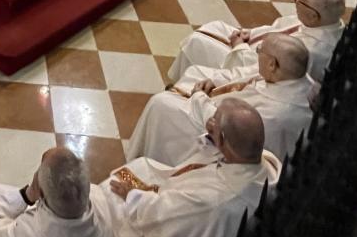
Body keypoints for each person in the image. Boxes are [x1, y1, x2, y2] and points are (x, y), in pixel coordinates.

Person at [98, 100, 280, 237]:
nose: (210, 121)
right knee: (143, 165)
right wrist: (215, 140)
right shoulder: (268, 164)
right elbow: (220, 159)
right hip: (186, 200)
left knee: (110, 192)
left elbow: (160, 215)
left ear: (223, 139)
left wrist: (133, 196)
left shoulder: (212, 202)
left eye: (215, 120)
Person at [128, 35, 313, 165]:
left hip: (223, 142)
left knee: (160, 104)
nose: (257, 55)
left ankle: (145, 162)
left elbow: (229, 127)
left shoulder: (277, 114)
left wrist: (199, 97)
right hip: (224, 111)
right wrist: (216, 81)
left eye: (259, 52)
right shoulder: (294, 78)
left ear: (272, 64)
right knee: (194, 73)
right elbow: (247, 73)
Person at [166, 0, 346, 87]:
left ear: (314, 16)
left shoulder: (312, 49)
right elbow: (277, 28)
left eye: (298, 1)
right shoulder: (327, 22)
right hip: (256, 46)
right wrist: (250, 33)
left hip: (251, 62)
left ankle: (183, 87)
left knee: (197, 42)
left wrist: (239, 45)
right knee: (215, 27)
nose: (295, 2)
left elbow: (262, 67)